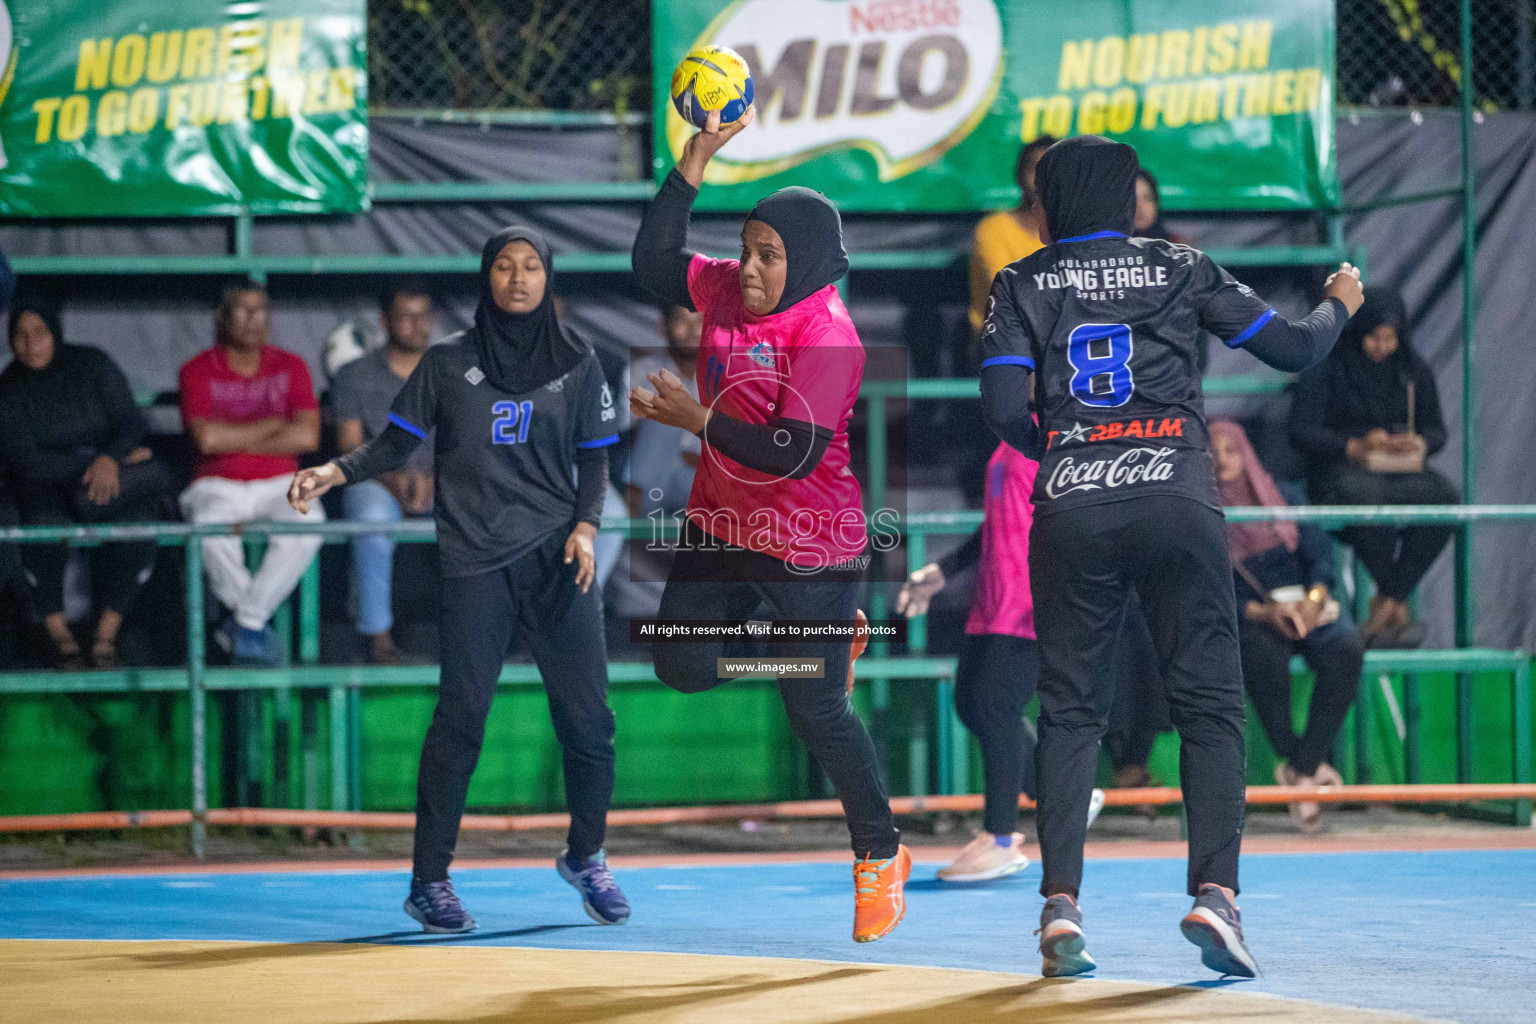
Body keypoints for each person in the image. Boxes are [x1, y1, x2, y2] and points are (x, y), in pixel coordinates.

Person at [979, 134, 1363, 978]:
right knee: (1210, 706)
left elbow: (1006, 411)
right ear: (1128, 201)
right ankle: (1216, 898)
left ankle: (1059, 908)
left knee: (1073, 709)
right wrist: (1340, 299)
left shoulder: (1021, 280)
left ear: (1047, 207)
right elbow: (1297, 349)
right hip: (1179, 502)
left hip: (1073, 507)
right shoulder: (1181, 266)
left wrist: (1072, 451)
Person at [288, 226, 627, 935]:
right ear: (486, 278)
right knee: (462, 719)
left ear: (548, 278)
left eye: (532, 265)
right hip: (475, 563)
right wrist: (333, 470)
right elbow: (393, 443)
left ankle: (587, 855)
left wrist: (587, 526)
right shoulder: (448, 364)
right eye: (504, 265)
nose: (518, 277)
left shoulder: (579, 362)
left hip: (558, 559)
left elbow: (596, 460)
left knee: (591, 722)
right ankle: (429, 881)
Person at [629, 106, 908, 944]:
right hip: (721, 526)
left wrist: (694, 418)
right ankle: (823, 648)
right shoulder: (722, 287)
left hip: (811, 549)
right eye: (746, 249)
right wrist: (691, 164)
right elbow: (651, 262)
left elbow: (789, 450)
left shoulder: (830, 334)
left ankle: (879, 856)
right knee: (679, 665)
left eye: (768, 256)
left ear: (811, 263)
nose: (747, 268)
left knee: (815, 711)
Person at [897, 441, 1105, 882]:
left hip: (1030, 602)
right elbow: (1001, 521)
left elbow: (1080, 525)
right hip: (991, 599)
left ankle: (1001, 839)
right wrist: (945, 571)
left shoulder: (1058, 439)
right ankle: (1063, 794)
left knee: (996, 710)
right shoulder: (1010, 440)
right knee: (971, 705)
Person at [1211, 420, 1361, 832]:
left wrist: (1313, 603)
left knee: (1346, 649)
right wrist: (1262, 613)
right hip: (1253, 616)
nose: (1223, 460)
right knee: (1259, 654)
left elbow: (1321, 561)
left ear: (1247, 454)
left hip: (1306, 609)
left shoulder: (1283, 497)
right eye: (1214, 451)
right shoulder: (1202, 511)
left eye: (1231, 450)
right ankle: (1305, 768)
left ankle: (1301, 768)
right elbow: (1208, 585)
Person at [0, 299, 166, 669]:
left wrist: (111, 458)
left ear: (55, 333)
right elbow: (26, 463)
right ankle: (59, 636)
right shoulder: (9, 389)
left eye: (39, 332)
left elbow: (130, 423)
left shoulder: (92, 364)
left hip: (108, 481)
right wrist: (92, 464)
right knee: (39, 531)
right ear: (10, 342)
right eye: (20, 336)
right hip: (48, 489)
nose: (31, 344)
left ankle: (106, 634)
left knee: (141, 524)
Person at [1289, 288, 1455, 648]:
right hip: (1339, 472)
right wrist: (1354, 446)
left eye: (1391, 338)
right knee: (1363, 498)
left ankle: (1387, 600)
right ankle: (1394, 607)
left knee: (1447, 499)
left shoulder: (1411, 369)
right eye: (1374, 337)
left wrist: (1418, 444)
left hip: (1398, 471)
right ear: (1357, 331)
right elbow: (1301, 431)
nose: (1383, 346)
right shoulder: (1329, 364)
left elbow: (1437, 430)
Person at [178, 283, 323, 667]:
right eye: (242, 311)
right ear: (222, 317)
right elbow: (207, 440)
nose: (252, 320)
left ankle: (246, 622)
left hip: (279, 482)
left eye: (260, 311)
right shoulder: (195, 370)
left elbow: (308, 435)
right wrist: (274, 426)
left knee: (311, 519)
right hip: (216, 483)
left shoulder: (291, 365)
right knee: (208, 525)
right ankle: (253, 625)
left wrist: (234, 437)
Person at [332, 283, 437, 664]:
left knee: (493, 507)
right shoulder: (354, 374)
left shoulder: (457, 371)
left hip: (446, 480)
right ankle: (380, 639)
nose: (417, 325)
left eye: (423, 315)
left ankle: (487, 637)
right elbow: (349, 447)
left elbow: (473, 445)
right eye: (406, 316)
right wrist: (391, 477)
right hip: (377, 478)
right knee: (371, 514)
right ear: (385, 322)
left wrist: (438, 478)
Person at [628, 304, 704, 518]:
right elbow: (618, 433)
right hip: (650, 480)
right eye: (682, 322)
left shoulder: (727, 376)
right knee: (660, 416)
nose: (692, 331)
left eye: (700, 322)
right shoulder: (643, 372)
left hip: (702, 479)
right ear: (663, 327)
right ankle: (633, 514)